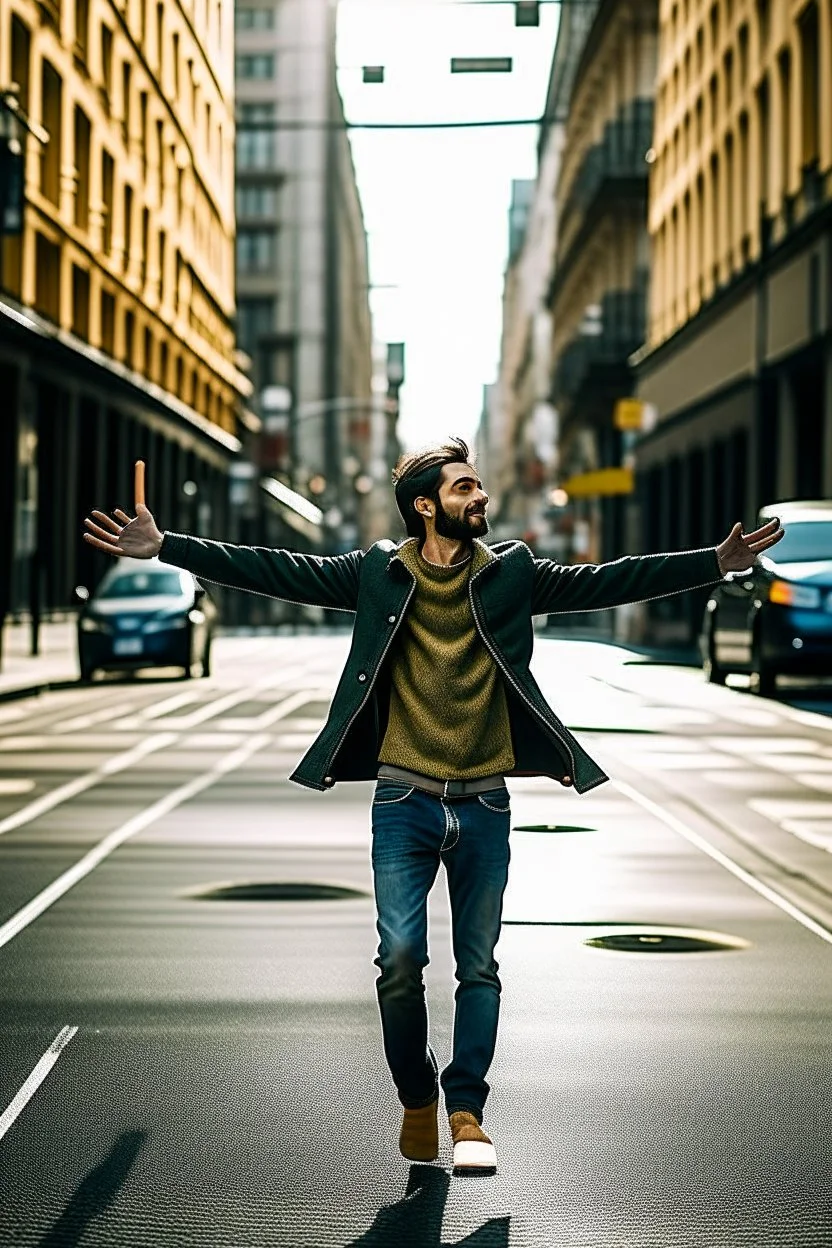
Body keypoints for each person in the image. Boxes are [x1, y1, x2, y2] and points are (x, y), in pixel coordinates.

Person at [82, 436, 784, 1175]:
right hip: (403, 798)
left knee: (478, 967)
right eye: (464, 488)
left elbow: (608, 580)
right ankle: (416, 1095)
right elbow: (277, 570)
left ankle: (467, 1111)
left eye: (479, 487)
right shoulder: (379, 573)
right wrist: (168, 547)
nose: (480, 498)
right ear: (426, 505)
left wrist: (713, 562)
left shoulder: (511, 573)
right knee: (400, 960)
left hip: (485, 802)